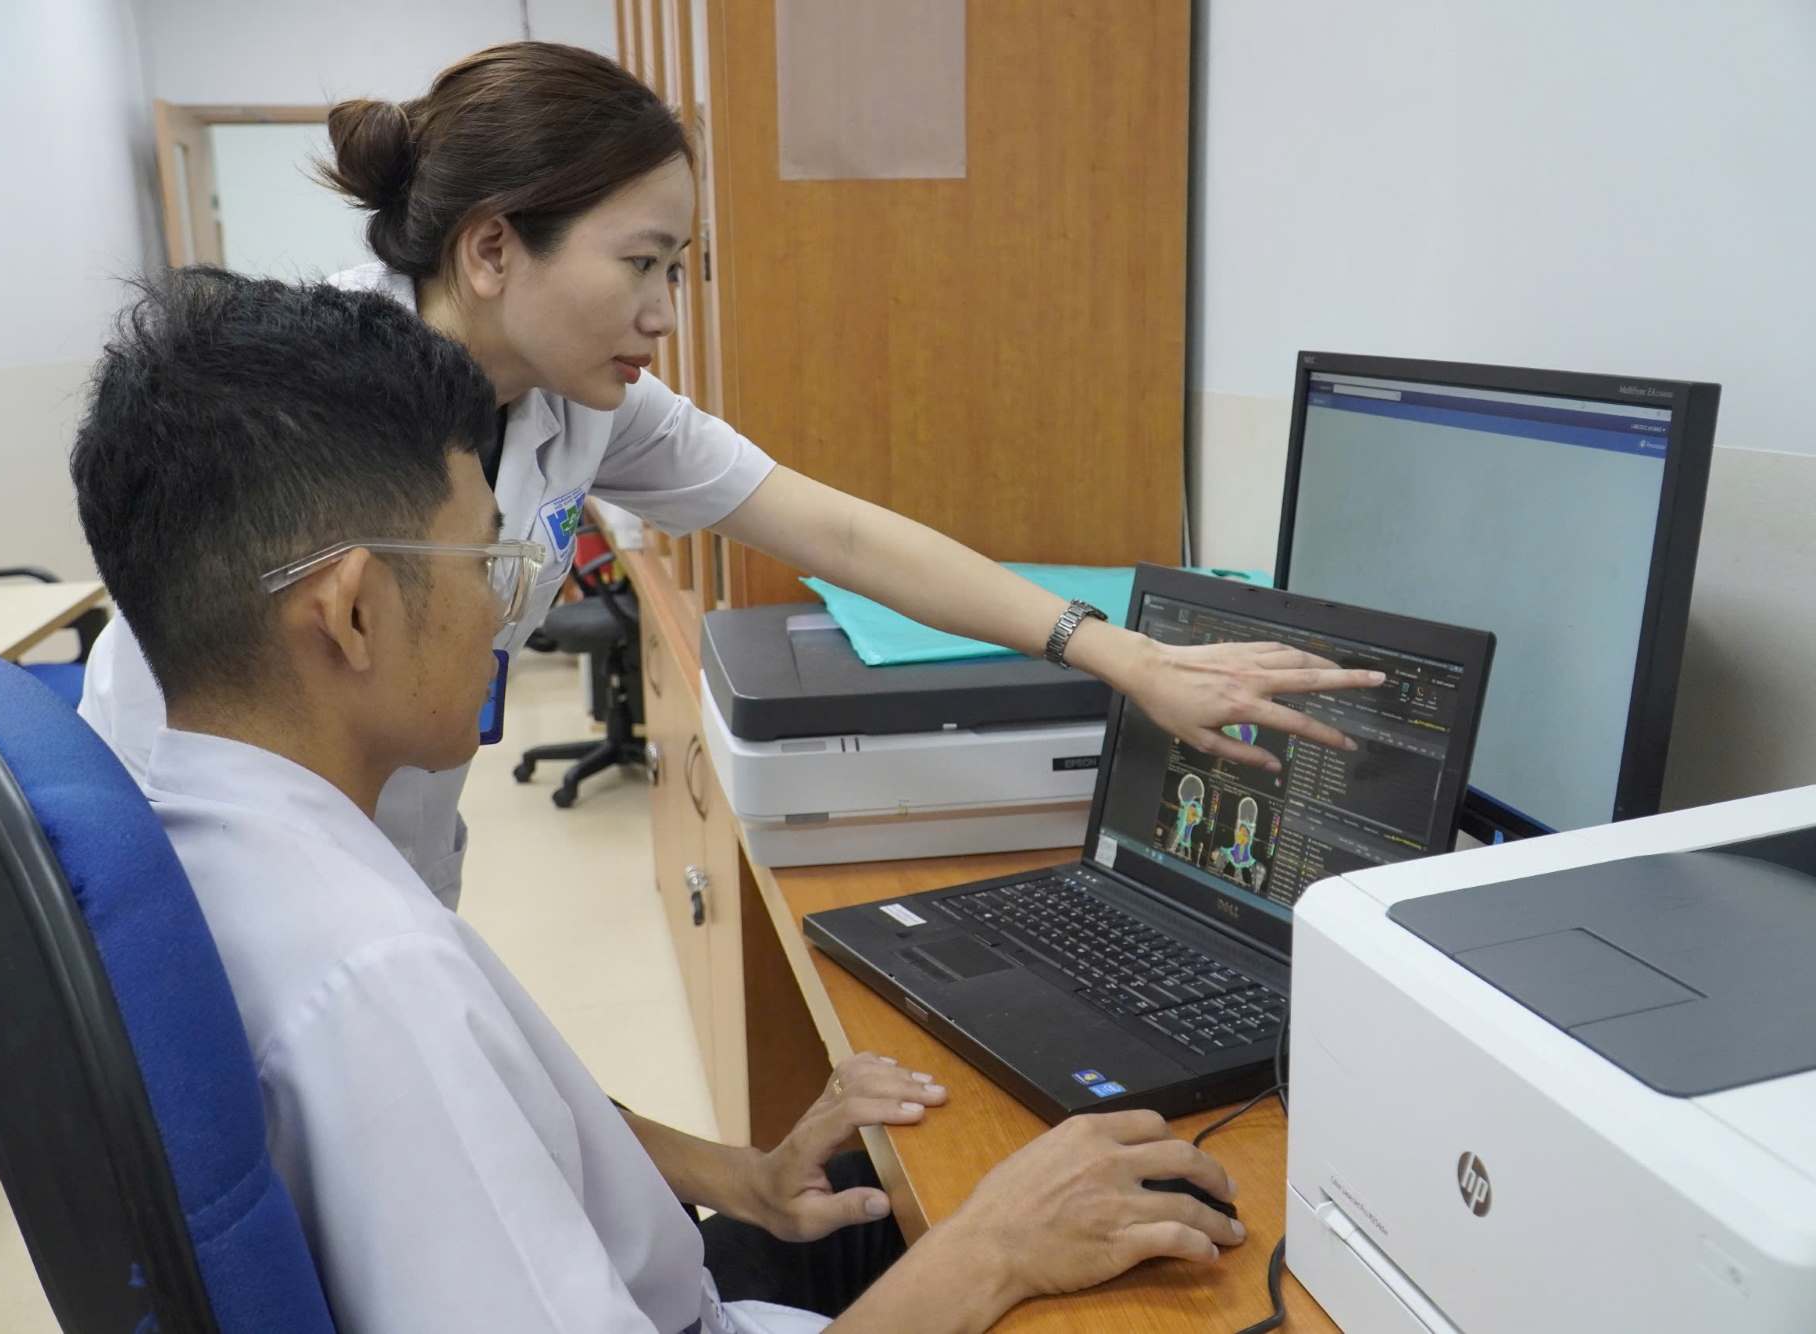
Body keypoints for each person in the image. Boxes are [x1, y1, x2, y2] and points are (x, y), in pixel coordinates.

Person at [70, 268, 1247, 1331]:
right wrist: (994, 1251)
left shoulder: (208, 823)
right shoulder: (377, 979)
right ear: (352, 612)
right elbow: (428, 1082)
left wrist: (736, 1174)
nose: (506, 612)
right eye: (486, 563)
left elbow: (484, 1129)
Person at [77, 42, 1382, 911]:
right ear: (490, 250)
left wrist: (1118, 653)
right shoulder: (285, 405)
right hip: (205, 858)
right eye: (640, 263)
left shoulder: (584, 403)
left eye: (677, 270)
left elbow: (842, 532)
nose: (663, 312)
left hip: (389, 861)